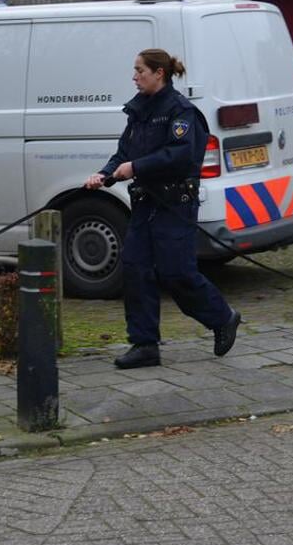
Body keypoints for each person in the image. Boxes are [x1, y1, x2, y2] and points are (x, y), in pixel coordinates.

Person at [85, 49, 241, 369]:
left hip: (174, 205)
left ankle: (223, 318)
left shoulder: (181, 111)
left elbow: (181, 155)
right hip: (145, 204)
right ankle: (144, 345)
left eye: (140, 70)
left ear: (159, 73)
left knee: (176, 273)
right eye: (135, 70)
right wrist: (104, 174)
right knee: (135, 268)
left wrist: (136, 167)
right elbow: (123, 153)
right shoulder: (139, 110)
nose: (134, 76)